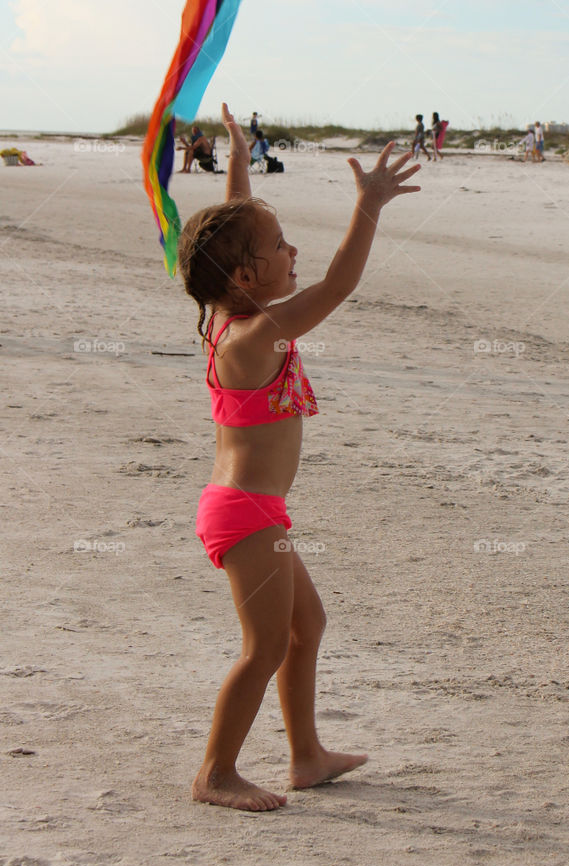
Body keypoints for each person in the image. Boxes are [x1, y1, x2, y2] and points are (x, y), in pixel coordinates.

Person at [177, 104, 420, 811]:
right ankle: (215, 774)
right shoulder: (255, 335)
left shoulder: (233, 310)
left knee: (304, 627)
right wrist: (367, 206)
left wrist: (240, 159)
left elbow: (234, 222)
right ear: (246, 277)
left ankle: (306, 755)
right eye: (280, 244)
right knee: (263, 647)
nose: (293, 252)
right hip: (244, 513)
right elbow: (339, 285)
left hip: (258, 509)